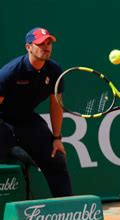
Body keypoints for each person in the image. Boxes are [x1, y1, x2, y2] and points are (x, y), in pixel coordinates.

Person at [0, 27, 73, 197]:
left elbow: (56, 104)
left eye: (48, 43)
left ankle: (68, 213)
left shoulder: (54, 71)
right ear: (28, 47)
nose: (46, 47)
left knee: (57, 158)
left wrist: (57, 138)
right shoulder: (10, 72)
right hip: (2, 120)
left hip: (27, 120)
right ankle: (11, 148)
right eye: (40, 44)